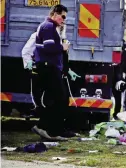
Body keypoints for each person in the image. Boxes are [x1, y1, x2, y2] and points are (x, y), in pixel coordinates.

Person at [31, 5, 71, 140]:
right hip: (48, 67)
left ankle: (48, 128)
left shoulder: (52, 27)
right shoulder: (48, 27)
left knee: (54, 98)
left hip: (51, 67)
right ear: (55, 14)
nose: (64, 20)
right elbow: (49, 47)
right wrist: (62, 47)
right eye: (63, 16)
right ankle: (48, 129)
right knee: (58, 97)